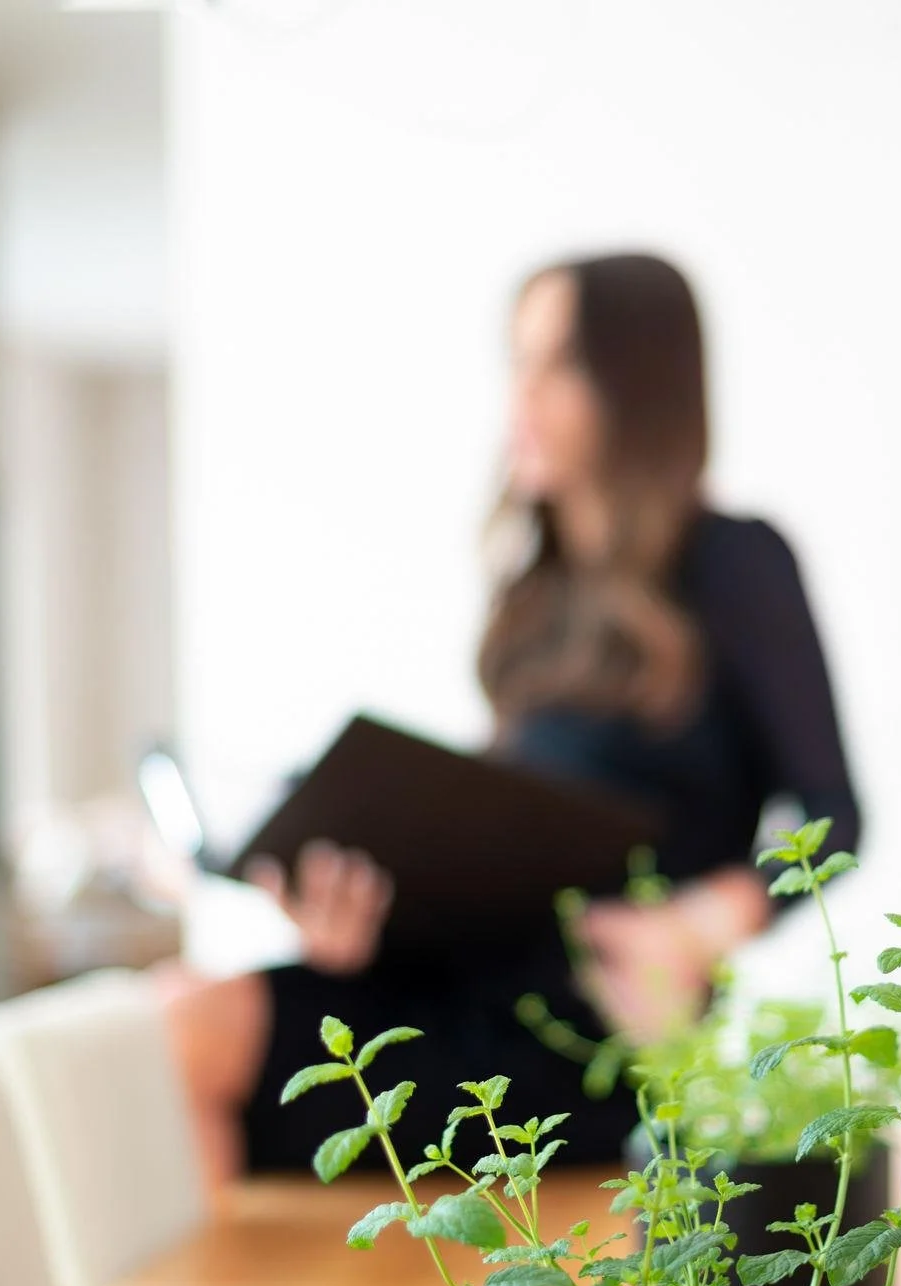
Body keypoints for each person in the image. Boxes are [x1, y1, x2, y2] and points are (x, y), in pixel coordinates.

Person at [160, 252, 860, 1189]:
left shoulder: (735, 565)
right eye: (515, 361)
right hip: (465, 974)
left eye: (558, 365)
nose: (521, 396)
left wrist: (695, 925)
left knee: (201, 1038)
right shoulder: (534, 604)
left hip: (588, 1030)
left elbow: (834, 815)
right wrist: (367, 911)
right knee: (180, 1014)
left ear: (635, 386)